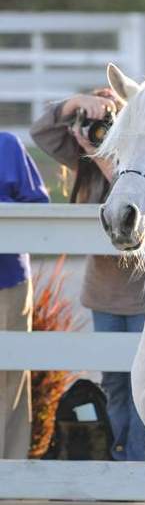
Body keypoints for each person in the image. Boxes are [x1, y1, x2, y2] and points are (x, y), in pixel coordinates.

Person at [30, 90, 145, 461]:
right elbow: (41, 132)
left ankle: (138, 465)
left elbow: (134, 207)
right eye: (100, 123)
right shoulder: (83, 158)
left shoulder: (140, 157)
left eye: (111, 122)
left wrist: (103, 155)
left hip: (143, 294)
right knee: (114, 383)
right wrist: (75, 106)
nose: (104, 130)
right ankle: (114, 460)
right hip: (102, 293)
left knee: (142, 385)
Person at [0, 133, 50, 458]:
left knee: (11, 382)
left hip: (9, 283)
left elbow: (40, 209)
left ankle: (10, 473)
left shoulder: (7, 145)